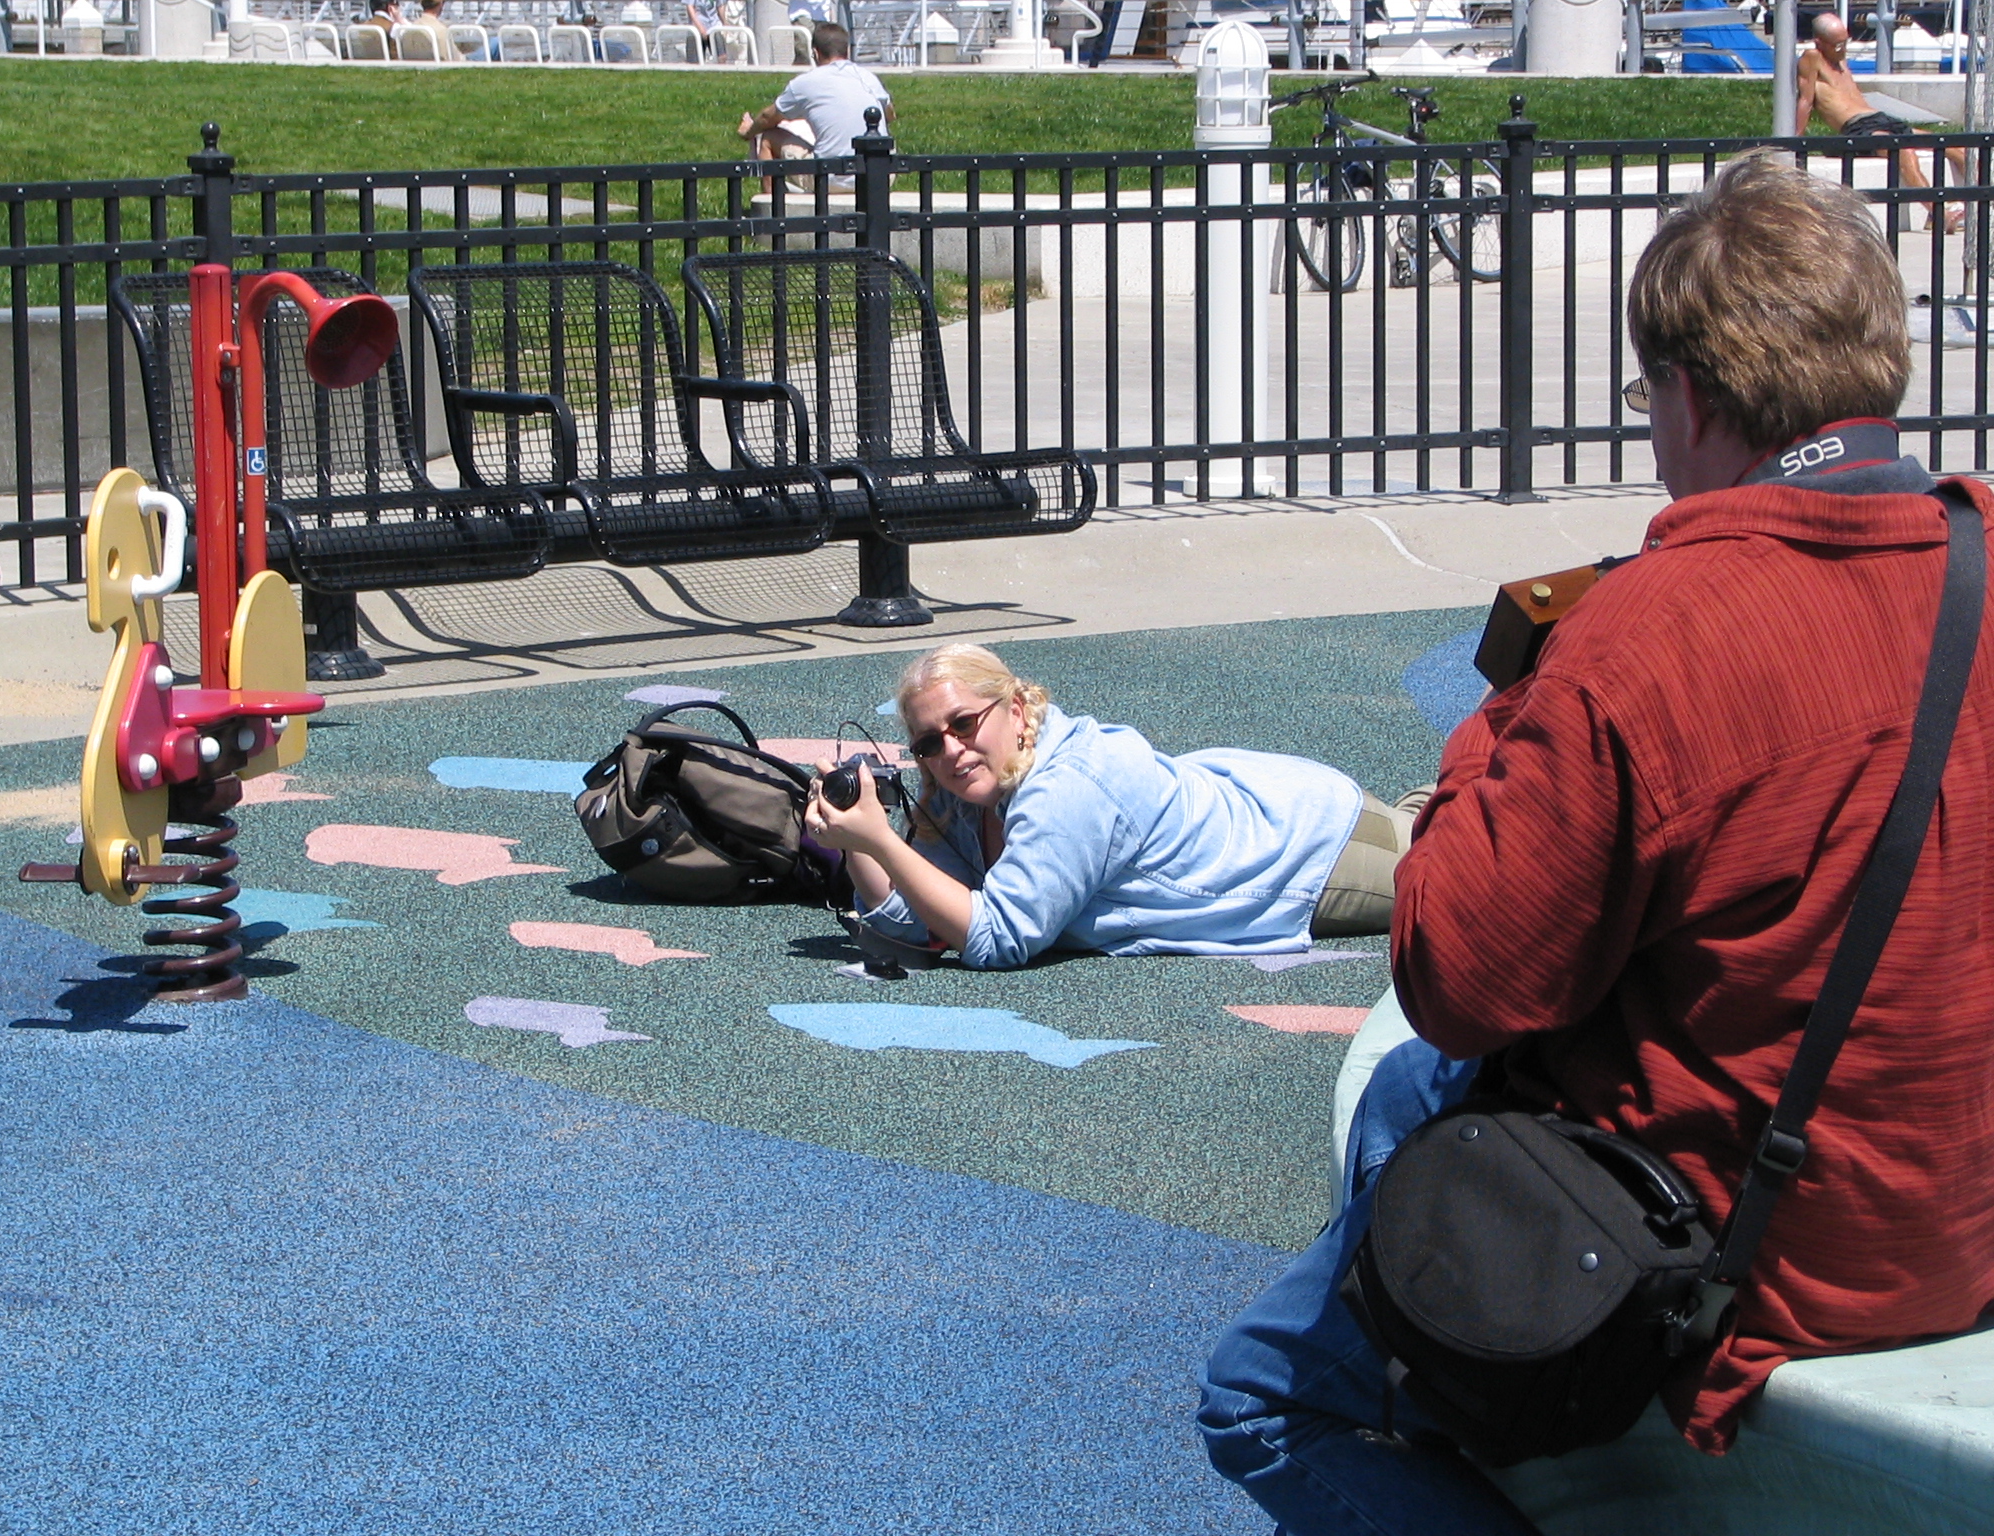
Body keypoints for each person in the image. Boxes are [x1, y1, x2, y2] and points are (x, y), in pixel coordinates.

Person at [1199, 148, 1994, 1534]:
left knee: (1267, 1398)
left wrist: (1501, 731)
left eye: (1646, 400)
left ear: (1688, 393)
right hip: (1958, 1213)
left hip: (1762, 1262)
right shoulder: (1976, 549)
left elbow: (1462, 973)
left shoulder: (1657, 631)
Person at [803, 644, 1425, 970]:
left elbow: (997, 939)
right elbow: (919, 920)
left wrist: (884, 842)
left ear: (1016, 711)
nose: (951, 749)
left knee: (1486, 876)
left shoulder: (1065, 789)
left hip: (1310, 852)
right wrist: (857, 845)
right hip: (1259, 802)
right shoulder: (967, 792)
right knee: (1452, 828)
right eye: (928, 742)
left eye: (964, 724)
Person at [1798, 12, 1968, 231]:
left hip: (1880, 119)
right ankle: (1938, 213)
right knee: (1904, 153)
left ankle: (1981, 202)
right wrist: (1796, 141)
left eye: (1845, 43)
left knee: (1952, 146)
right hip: (1858, 128)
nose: (1843, 49)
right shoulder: (1812, 57)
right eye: (1837, 45)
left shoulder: (1839, 60)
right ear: (1819, 42)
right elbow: (1805, 100)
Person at [737, 22, 894, 195]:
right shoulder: (869, 77)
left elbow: (768, 118)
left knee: (768, 138)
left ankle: (772, 211)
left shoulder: (806, 83)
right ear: (847, 51)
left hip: (831, 177)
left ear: (815, 53)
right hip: (879, 175)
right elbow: (889, 115)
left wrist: (748, 132)